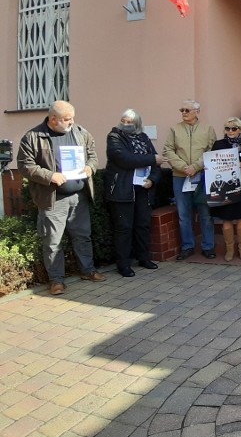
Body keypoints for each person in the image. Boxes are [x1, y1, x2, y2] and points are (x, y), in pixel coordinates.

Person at [17, 101, 105, 295]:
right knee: (52, 241)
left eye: (73, 118)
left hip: (78, 196)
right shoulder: (33, 137)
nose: (71, 122)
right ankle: (56, 280)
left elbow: (92, 155)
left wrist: (90, 167)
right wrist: (50, 176)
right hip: (53, 199)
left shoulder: (80, 132)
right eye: (67, 119)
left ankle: (88, 270)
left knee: (82, 236)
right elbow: (25, 165)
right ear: (53, 119)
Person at [104, 109, 164, 277]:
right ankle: (123, 264)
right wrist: (152, 159)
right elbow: (125, 159)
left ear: (137, 124)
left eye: (130, 122)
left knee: (143, 225)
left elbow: (156, 164)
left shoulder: (143, 138)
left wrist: (152, 180)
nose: (126, 124)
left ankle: (143, 258)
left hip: (143, 189)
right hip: (122, 189)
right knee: (124, 228)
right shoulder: (114, 137)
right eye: (124, 120)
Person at [163, 100, 217, 260]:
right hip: (180, 177)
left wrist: (196, 166)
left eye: (187, 110)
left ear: (197, 111)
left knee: (205, 213)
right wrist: (184, 167)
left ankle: (208, 246)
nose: (184, 112)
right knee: (183, 214)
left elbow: (211, 150)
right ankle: (188, 246)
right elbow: (168, 150)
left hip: (201, 176)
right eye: (182, 110)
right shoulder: (174, 129)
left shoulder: (208, 129)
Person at [210, 118, 241, 261]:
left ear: (240, 129)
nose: (230, 131)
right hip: (224, 187)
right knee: (226, 218)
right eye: (227, 128)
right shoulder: (218, 144)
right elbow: (212, 163)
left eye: (233, 128)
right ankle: (229, 249)